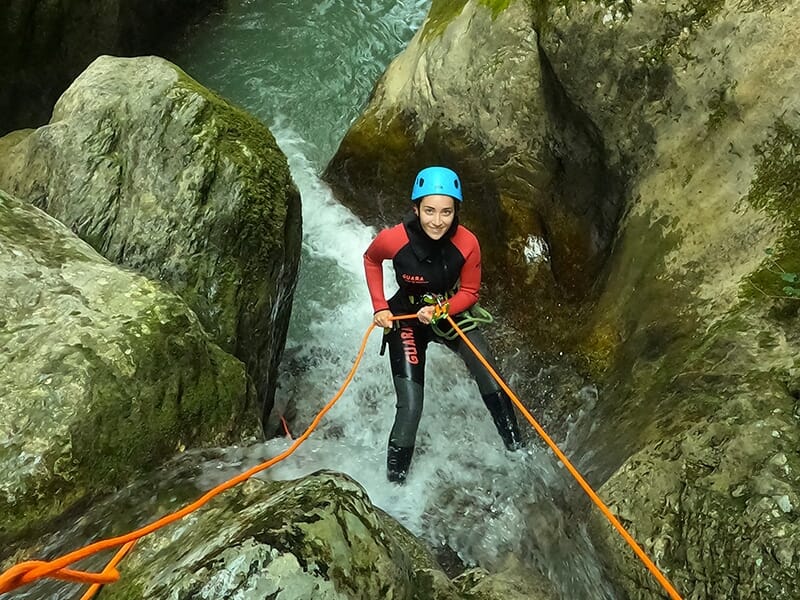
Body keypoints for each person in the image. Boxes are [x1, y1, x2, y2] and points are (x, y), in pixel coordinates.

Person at [363, 166, 523, 483]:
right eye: (430, 211)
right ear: (416, 209)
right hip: (406, 320)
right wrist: (380, 307)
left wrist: (441, 310)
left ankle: (518, 452)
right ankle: (394, 488)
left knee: (490, 375)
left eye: (446, 212)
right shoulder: (394, 239)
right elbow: (371, 260)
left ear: (456, 212)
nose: (437, 221)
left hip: (448, 313)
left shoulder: (467, 244)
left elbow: (470, 292)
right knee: (411, 406)